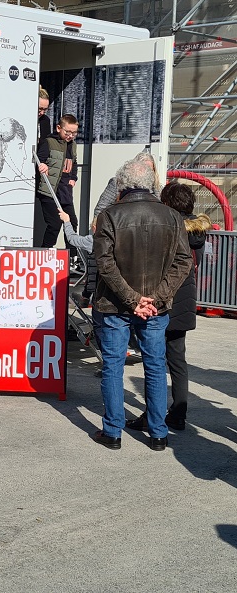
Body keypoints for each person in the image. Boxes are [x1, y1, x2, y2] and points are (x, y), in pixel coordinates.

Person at [90, 157, 192, 451]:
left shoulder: (110, 215)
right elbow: (184, 261)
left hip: (115, 306)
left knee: (112, 366)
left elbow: (104, 264)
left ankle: (113, 432)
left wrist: (133, 299)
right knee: (155, 366)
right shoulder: (171, 216)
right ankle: (158, 433)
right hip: (155, 308)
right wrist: (156, 297)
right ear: (150, 185)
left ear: (122, 185)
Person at [126, 182, 212, 432]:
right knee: (177, 360)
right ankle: (178, 413)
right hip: (185, 299)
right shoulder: (198, 232)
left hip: (162, 298)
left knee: (153, 362)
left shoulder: (169, 228)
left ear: (167, 203)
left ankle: (151, 415)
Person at [36, 115, 79, 247]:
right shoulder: (49, 142)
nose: (70, 136)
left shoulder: (72, 145)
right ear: (59, 128)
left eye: (74, 133)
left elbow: (74, 163)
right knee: (54, 223)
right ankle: (46, 251)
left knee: (72, 222)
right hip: (50, 190)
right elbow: (39, 159)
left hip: (65, 190)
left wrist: (73, 178)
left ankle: (72, 255)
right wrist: (42, 165)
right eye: (67, 132)